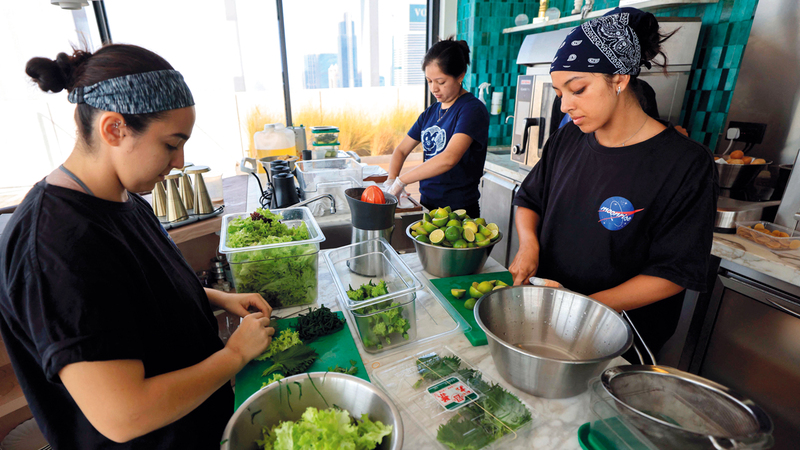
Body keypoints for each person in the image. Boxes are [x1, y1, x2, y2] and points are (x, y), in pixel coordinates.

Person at [0, 44, 275, 448]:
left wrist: (215, 297)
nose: (180, 160)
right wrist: (234, 355)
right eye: (170, 144)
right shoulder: (54, 246)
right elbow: (125, 414)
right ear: (114, 129)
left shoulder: (122, 199)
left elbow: (128, 302)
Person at [508, 8, 717, 361]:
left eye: (577, 90)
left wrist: (586, 308)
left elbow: (675, 271)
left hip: (622, 337)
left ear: (619, 79)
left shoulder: (685, 164)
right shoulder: (567, 141)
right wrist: (529, 246)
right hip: (548, 320)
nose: (565, 106)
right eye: (560, 92)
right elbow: (530, 199)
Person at [386, 37, 490, 218]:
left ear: (460, 76)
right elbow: (401, 151)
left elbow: (449, 158)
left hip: (458, 212)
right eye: (429, 81)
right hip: (428, 205)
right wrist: (390, 181)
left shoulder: (471, 110)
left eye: (441, 82)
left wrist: (402, 181)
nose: (434, 88)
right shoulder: (430, 113)